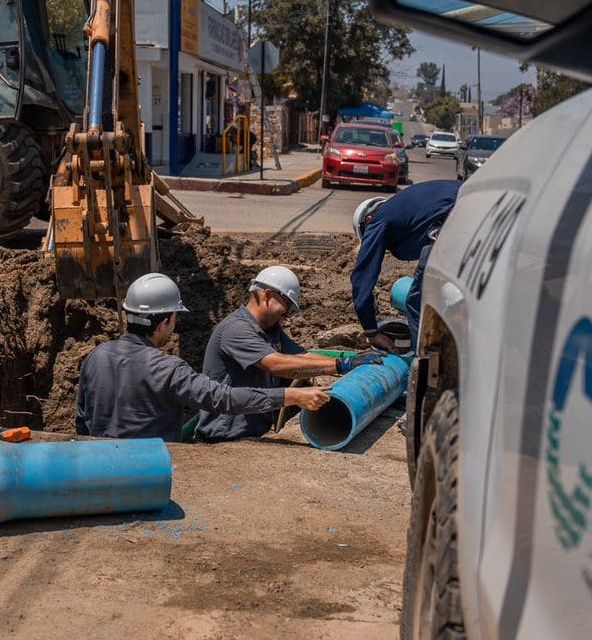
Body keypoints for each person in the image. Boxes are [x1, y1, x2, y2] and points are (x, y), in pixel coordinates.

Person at [76, 272, 332, 442]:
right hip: (150, 469)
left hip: (101, 462)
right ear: (165, 321)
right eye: (175, 318)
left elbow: (82, 419)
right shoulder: (169, 368)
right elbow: (225, 399)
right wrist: (290, 396)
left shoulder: (96, 356)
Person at [195, 266, 385, 443]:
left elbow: (302, 357)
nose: (285, 314)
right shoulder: (236, 329)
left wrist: (349, 362)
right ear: (268, 295)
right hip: (222, 436)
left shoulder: (269, 329)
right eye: (285, 307)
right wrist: (340, 365)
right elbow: (277, 365)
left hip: (251, 433)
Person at [351, 179, 460, 349]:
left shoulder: (378, 220)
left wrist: (371, 332)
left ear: (368, 219)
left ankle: (427, 367)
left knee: (420, 303)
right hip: (490, 212)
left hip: (455, 227)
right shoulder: (408, 206)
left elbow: (362, 278)